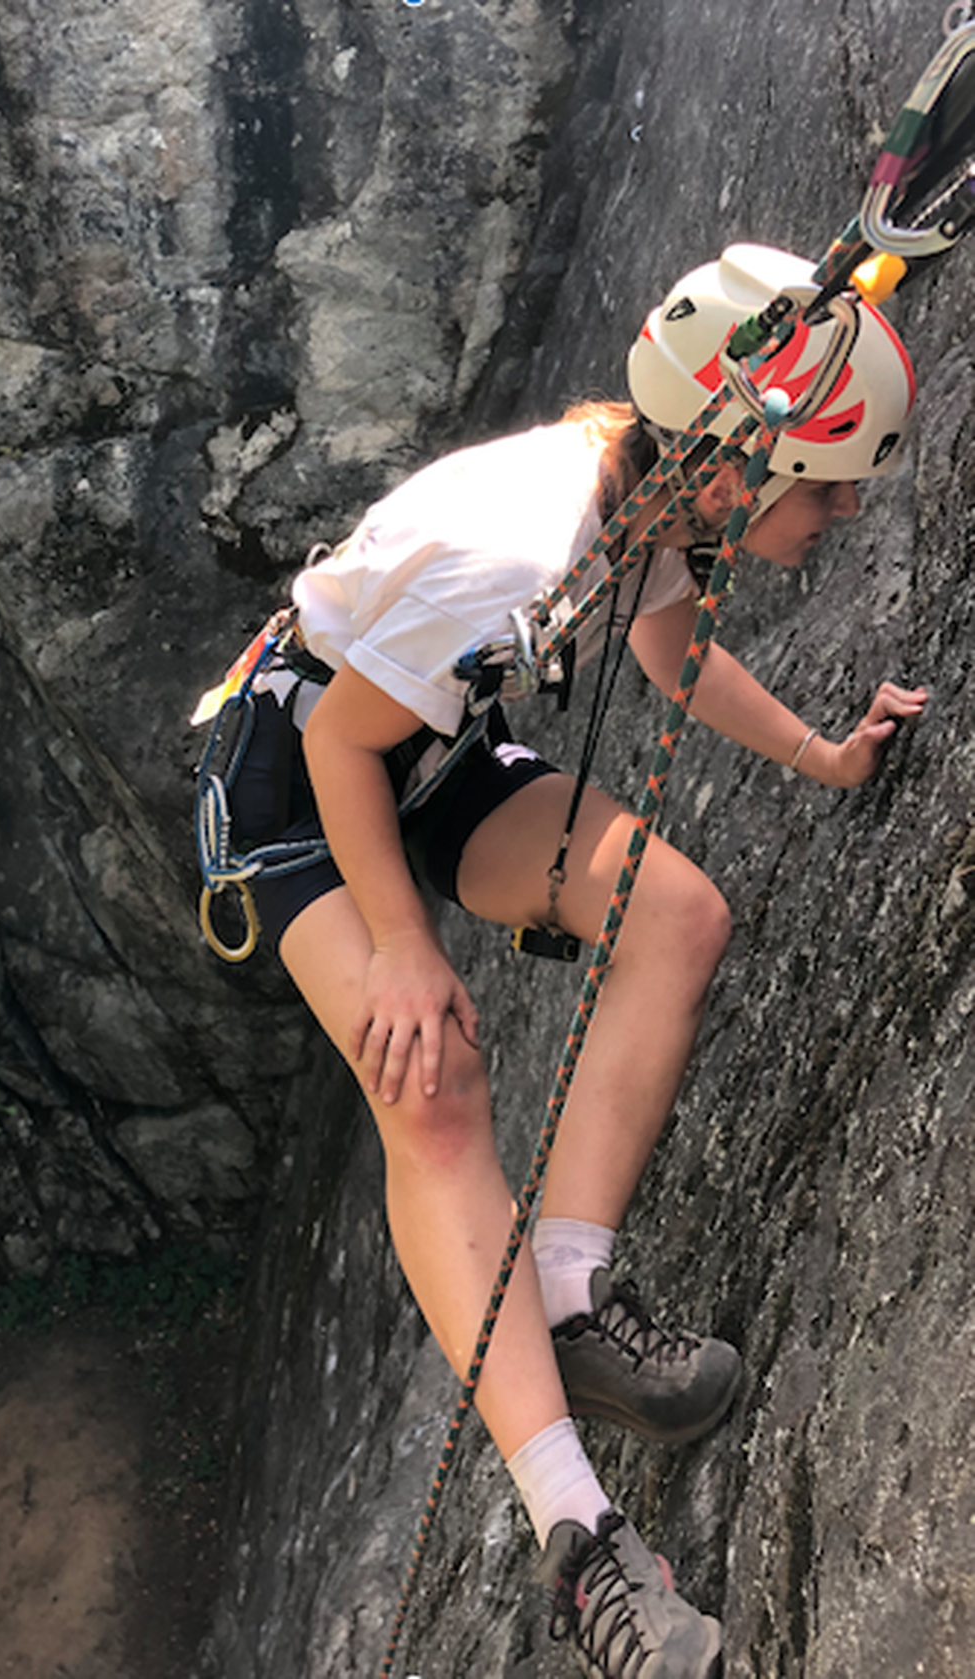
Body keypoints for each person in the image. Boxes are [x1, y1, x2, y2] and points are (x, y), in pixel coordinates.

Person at [225, 245, 927, 1678]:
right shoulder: (518, 545)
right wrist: (405, 950)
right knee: (429, 1081)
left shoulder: (659, 490)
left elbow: (671, 657)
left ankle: (570, 1290)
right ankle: (580, 1535)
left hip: (428, 752)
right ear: (739, 464)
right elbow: (338, 742)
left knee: (677, 915)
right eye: (830, 482)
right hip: (302, 784)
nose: (846, 509)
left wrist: (822, 755)